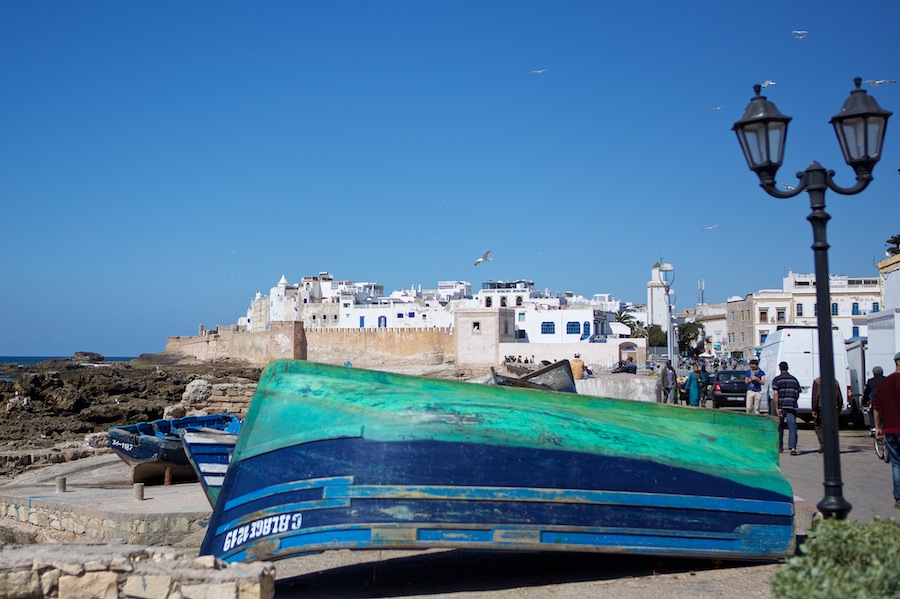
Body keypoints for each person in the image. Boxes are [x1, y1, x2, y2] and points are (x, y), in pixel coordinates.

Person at [873, 351, 900, 510]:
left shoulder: (885, 383)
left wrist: (877, 428)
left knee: (896, 464)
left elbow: (876, 407)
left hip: (890, 430)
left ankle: (898, 498)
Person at [772, 361, 801, 455]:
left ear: (780, 368)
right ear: (787, 368)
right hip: (791, 406)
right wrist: (793, 401)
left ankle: (779, 447)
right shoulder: (794, 380)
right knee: (792, 426)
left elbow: (776, 394)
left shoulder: (777, 380)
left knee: (779, 426)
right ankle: (793, 448)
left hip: (781, 406)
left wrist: (776, 408)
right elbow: (798, 392)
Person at [811, 376, 844, 454]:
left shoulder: (817, 381)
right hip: (833, 407)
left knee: (818, 425)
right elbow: (839, 395)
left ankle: (823, 442)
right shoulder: (835, 382)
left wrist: (814, 408)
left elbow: (815, 396)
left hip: (821, 407)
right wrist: (839, 407)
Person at [864, 366, 886, 436]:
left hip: (875, 401)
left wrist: (864, 402)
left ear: (873, 373)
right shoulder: (886, 379)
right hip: (885, 401)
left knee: (870, 411)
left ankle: (873, 427)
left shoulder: (871, 381)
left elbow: (866, 393)